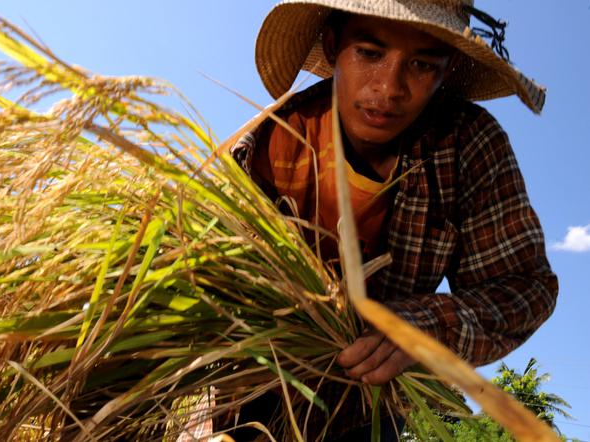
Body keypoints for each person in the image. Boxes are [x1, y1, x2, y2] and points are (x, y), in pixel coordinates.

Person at [228, 0, 559, 439]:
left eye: (422, 65)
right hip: (253, 392)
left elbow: (524, 287)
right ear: (332, 45)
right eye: (369, 53)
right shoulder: (271, 144)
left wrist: (422, 325)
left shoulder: (466, 146)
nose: (389, 88)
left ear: (447, 69)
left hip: (370, 407)